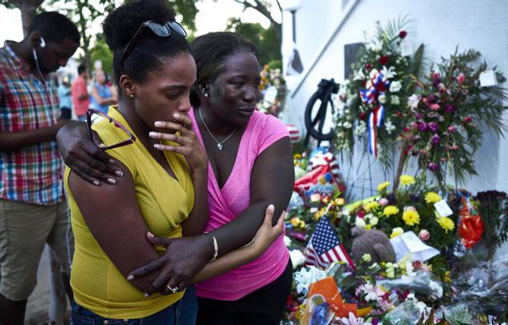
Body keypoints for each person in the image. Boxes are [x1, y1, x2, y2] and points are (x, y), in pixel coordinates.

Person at [62, 1, 284, 323]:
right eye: (173, 94)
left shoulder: (167, 133)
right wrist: (251, 250)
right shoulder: (100, 156)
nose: (185, 107)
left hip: (181, 306)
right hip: (125, 317)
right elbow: (149, 279)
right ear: (128, 86)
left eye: (189, 92)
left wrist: (199, 167)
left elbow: (190, 230)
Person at [0, 12, 80, 325]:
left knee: (80, 272)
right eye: (60, 55)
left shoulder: (40, 70)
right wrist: (54, 130)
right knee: (17, 287)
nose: (62, 63)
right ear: (36, 40)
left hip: (58, 194)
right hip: (19, 200)